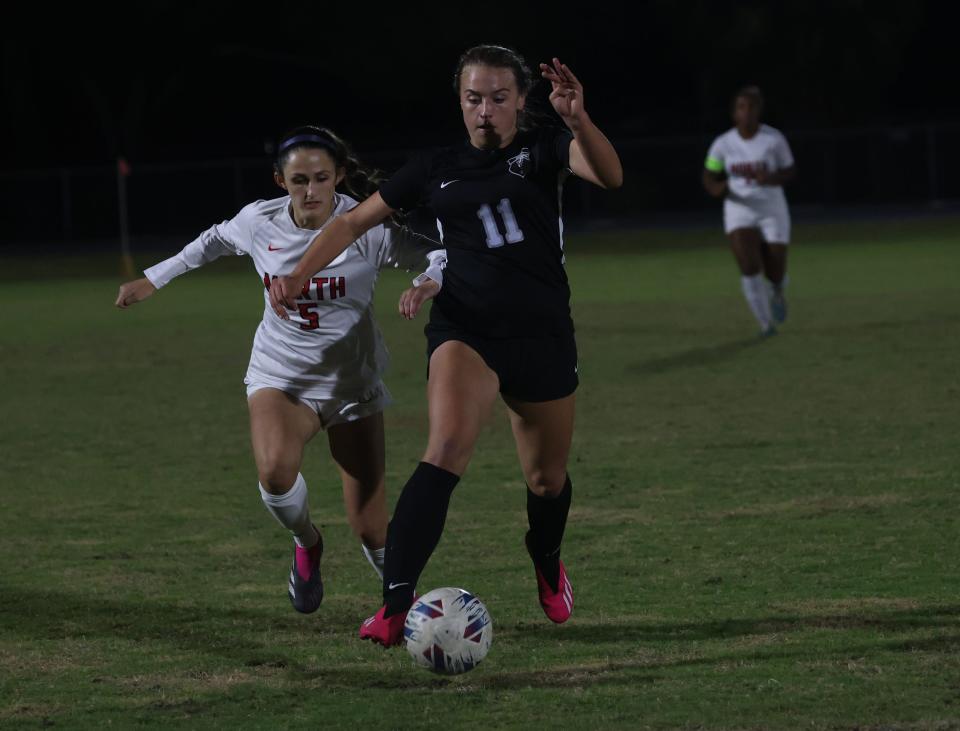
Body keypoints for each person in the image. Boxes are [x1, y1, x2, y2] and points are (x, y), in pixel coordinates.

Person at [268, 46, 623, 645]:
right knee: (444, 451)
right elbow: (354, 223)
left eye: (499, 98)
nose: (486, 110)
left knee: (545, 480)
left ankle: (545, 559)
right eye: (473, 98)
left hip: (541, 337)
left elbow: (609, 176)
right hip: (466, 330)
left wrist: (578, 120)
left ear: (521, 102)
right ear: (460, 101)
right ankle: (395, 604)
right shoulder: (435, 167)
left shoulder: (544, 149)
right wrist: (301, 272)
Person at [115, 126, 446, 614]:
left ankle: (413, 613)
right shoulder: (260, 222)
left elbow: (437, 253)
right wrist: (153, 278)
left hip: (351, 386)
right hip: (281, 375)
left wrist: (425, 282)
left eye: (321, 178)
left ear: (338, 178)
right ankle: (308, 542)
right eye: (298, 181)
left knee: (372, 528)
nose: (310, 192)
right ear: (279, 180)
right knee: (273, 471)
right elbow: (211, 241)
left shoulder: (364, 225)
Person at [702, 85, 796, 336]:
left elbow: (790, 171)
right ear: (735, 113)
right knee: (748, 265)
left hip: (771, 207)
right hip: (738, 208)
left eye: (752, 106)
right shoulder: (723, 144)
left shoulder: (774, 139)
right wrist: (716, 188)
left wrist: (771, 177)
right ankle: (765, 324)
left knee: (775, 268)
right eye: (742, 107)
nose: (747, 112)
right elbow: (709, 175)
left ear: (759, 110)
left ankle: (776, 290)